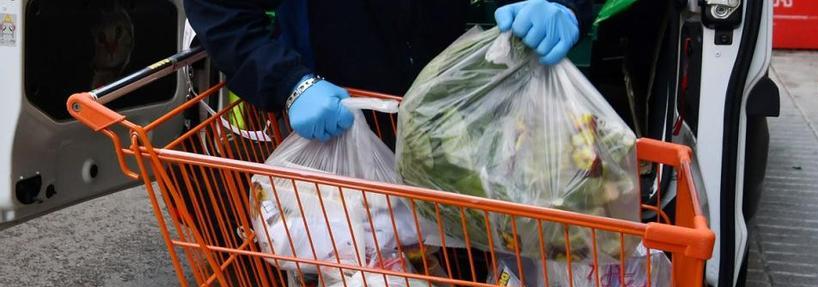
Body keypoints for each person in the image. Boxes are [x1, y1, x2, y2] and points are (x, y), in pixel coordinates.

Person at [185, 0, 593, 141]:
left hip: (453, 126)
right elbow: (223, 15)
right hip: (338, 126)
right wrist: (290, 84)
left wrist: (562, 6)